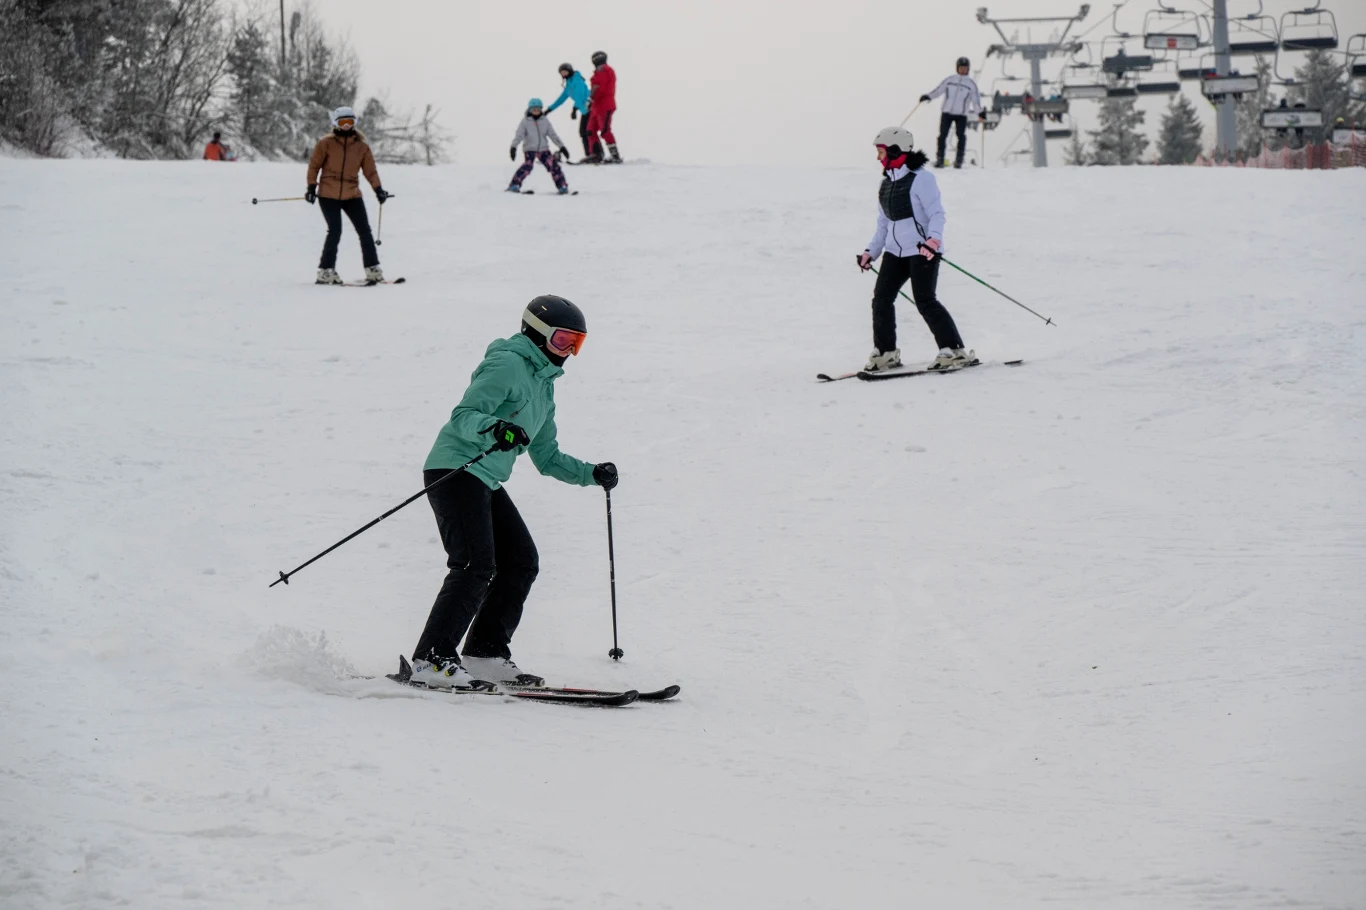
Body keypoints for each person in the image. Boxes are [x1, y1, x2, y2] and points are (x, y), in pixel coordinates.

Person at [412, 295, 618, 689]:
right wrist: (496, 428)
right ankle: (431, 661)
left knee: (521, 561)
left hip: (486, 478)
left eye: (576, 343)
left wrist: (592, 474)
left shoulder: (544, 388)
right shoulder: (508, 363)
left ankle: (486, 654)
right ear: (537, 333)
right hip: (456, 468)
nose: (568, 351)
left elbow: (547, 457)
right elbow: (463, 416)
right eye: (562, 340)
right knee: (474, 565)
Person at [855, 126, 975, 373]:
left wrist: (933, 241)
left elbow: (936, 214)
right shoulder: (886, 183)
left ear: (895, 151)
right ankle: (886, 352)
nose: (878, 158)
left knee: (925, 300)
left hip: (922, 250)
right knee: (881, 299)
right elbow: (883, 225)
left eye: (881, 152)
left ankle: (954, 351)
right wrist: (870, 252)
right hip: (895, 252)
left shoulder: (922, 179)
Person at [305, 106, 390, 285]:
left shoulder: (361, 147)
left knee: (365, 231)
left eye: (350, 122)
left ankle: (373, 269)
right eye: (342, 122)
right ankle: (325, 271)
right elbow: (314, 166)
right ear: (335, 123)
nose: (346, 125)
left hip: (352, 195)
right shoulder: (325, 144)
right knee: (335, 230)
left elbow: (370, 171)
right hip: (328, 194)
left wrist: (378, 189)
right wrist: (311, 187)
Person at [919, 56, 985, 169]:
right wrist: (928, 96)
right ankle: (940, 159)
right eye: (961, 68)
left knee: (961, 136)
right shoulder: (950, 80)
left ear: (968, 69)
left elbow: (975, 101)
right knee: (942, 136)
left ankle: (959, 160)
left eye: (965, 68)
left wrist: (980, 112)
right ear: (957, 68)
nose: (963, 70)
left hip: (961, 115)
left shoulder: (971, 84)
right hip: (947, 113)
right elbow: (938, 90)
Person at [508, 98, 572, 194]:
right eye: (534, 109)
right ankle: (514, 185)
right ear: (530, 110)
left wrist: (562, 147)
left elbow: (553, 135)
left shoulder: (545, 121)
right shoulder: (525, 122)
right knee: (527, 166)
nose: (536, 111)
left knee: (553, 166)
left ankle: (562, 186)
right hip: (530, 149)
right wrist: (513, 147)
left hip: (543, 149)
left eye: (538, 109)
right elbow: (519, 136)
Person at [547, 63, 593, 161]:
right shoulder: (569, 85)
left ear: (570, 71)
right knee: (584, 132)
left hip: (591, 108)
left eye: (565, 71)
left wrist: (574, 109)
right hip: (585, 111)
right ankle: (591, 154)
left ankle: (593, 154)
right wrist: (548, 110)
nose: (564, 74)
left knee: (586, 132)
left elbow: (580, 95)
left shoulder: (577, 80)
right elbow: (561, 99)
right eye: (562, 73)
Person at [585, 50, 620, 164]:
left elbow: (599, 87)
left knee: (604, 130)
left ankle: (614, 155)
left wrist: (591, 98)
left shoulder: (604, 70)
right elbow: (597, 86)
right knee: (590, 131)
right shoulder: (602, 70)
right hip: (597, 106)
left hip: (604, 105)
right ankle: (596, 154)